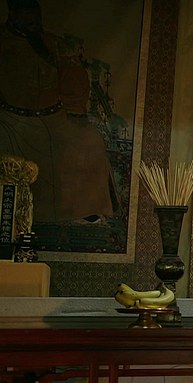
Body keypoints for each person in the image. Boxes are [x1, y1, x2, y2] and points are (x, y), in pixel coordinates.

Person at [0, 0, 115, 223]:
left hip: (55, 118)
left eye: (35, 13)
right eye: (26, 13)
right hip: (10, 119)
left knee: (91, 141)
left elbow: (76, 82)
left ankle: (85, 209)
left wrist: (74, 112)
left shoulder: (55, 44)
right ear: (13, 13)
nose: (32, 19)